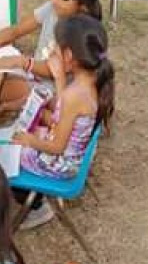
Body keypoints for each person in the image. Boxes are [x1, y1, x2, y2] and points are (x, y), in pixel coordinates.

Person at [10, 14, 114, 228]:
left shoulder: (74, 95)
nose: (52, 52)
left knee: (2, 157)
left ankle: (36, 207)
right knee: (16, 137)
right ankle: (34, 200)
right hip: (69, 156)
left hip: (60, 165)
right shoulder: (90, 82)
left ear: (68, 55)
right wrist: (58, 79)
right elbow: (64, 118)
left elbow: (56, 146)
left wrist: (29, 140)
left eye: (55, 47)